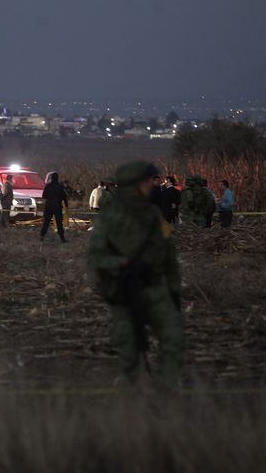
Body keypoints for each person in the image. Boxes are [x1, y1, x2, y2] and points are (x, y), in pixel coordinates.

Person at [89, 161, 183, 389]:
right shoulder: (110, 218)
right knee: (128, 347)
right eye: (147, 181)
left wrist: (174, 289)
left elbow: (169, 254)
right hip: (126, 290)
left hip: (155, 288)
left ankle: (167, 389)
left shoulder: (153, 215)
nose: (152, 184)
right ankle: (128, 396)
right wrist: (122, 265)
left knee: (173, 339)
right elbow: (96, 259)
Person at [40, 172, 68, 243]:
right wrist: (66, 206)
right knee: (59, 224)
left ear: (51, 178)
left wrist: (50, 198)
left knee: (46, 223)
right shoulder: (60, 186)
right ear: (57, 178)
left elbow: (44, 196)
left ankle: (41, 237)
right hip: (57, 207)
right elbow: (64, 197)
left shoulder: (47, 186)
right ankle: (62, 239)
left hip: (48, 207)